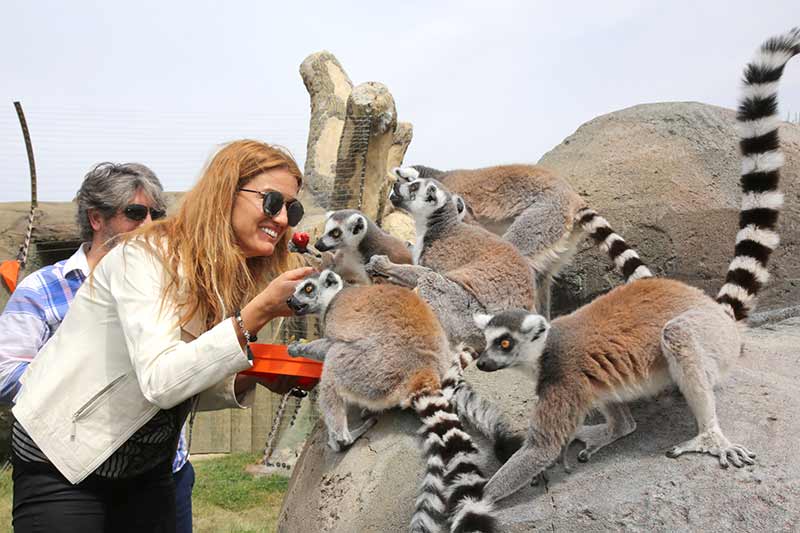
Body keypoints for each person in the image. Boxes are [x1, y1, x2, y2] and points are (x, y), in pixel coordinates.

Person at [9, 140, 313, 532]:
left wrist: (247, 375)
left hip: (144, 464)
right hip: (64, 455)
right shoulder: (145, 257)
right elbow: (160, 381)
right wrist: (252, 316)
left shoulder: (223, 275)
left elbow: (179, 377)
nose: (285, 219)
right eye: (273, 202)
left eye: (293, 208)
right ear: (225, 194)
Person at [0, 162, 195, 532]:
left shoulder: (176, 290)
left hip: (161, 473)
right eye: (135, 213)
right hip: (67, 473)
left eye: (157, 214)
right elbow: (4, 373)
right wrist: (77, 384)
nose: (150, 224)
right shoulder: (42, 289)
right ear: (95, 218)